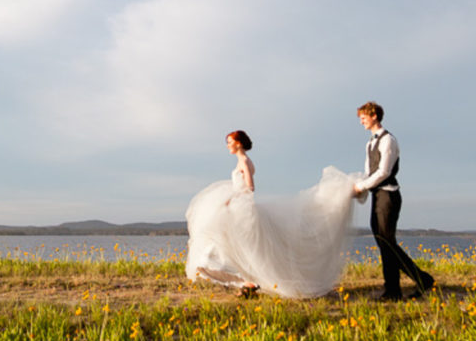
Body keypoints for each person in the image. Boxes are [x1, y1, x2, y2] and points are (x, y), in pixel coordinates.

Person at [185, 130, 359, 298]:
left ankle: (249, 281)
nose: (228, 146)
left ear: (238, 144)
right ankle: (246, 280)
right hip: (238, 206)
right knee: (230, 242)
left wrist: (232, 198)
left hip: (242, 208)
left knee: (243, 246)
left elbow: (250, 187)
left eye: (230, 142)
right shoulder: (242, 161)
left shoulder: (244, 161)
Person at [351, 101, 435, 301]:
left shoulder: (388, 140)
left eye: (363, 117)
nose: (361, 121)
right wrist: (359, 187)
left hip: (388, 196)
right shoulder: (370, 143)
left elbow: (384, 172)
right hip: (377, 196)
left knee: (387, 243)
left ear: (374, 116)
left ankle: (410, 283)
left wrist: (361, 187)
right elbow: (369, 172)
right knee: (384, 244)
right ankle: (397, 287)